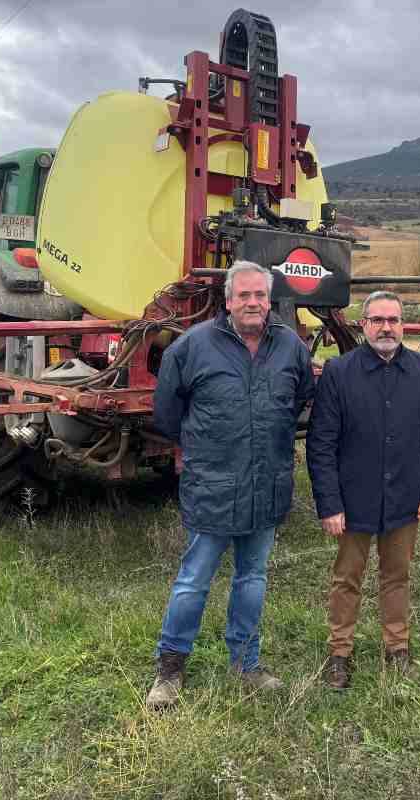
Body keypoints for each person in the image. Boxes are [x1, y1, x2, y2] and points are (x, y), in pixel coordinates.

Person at [146, 261, 315, 710]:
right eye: (244, 296)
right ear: (227, 301)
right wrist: (204, 449)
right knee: (193, 580)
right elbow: (166, 413)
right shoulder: (193, 347)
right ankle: (170, 669)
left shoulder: (290, 348)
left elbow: (299, 399)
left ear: (270, 299)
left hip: (267, 483)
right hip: (213, 485)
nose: (254, 303)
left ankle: (245, 663)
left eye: (260, 295)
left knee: (253, 578)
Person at [306, 290, 420, 689]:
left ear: (402, 325)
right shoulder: (340, 372)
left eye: (393, 320)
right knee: (347, 578)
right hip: (353, 501)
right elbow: (321, 444)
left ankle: (397, 648)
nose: (386, 327)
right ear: (363, 324)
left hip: (406, 497)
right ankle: (339, 653)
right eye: (377, 320)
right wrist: (329, 504)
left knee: (397, 577)